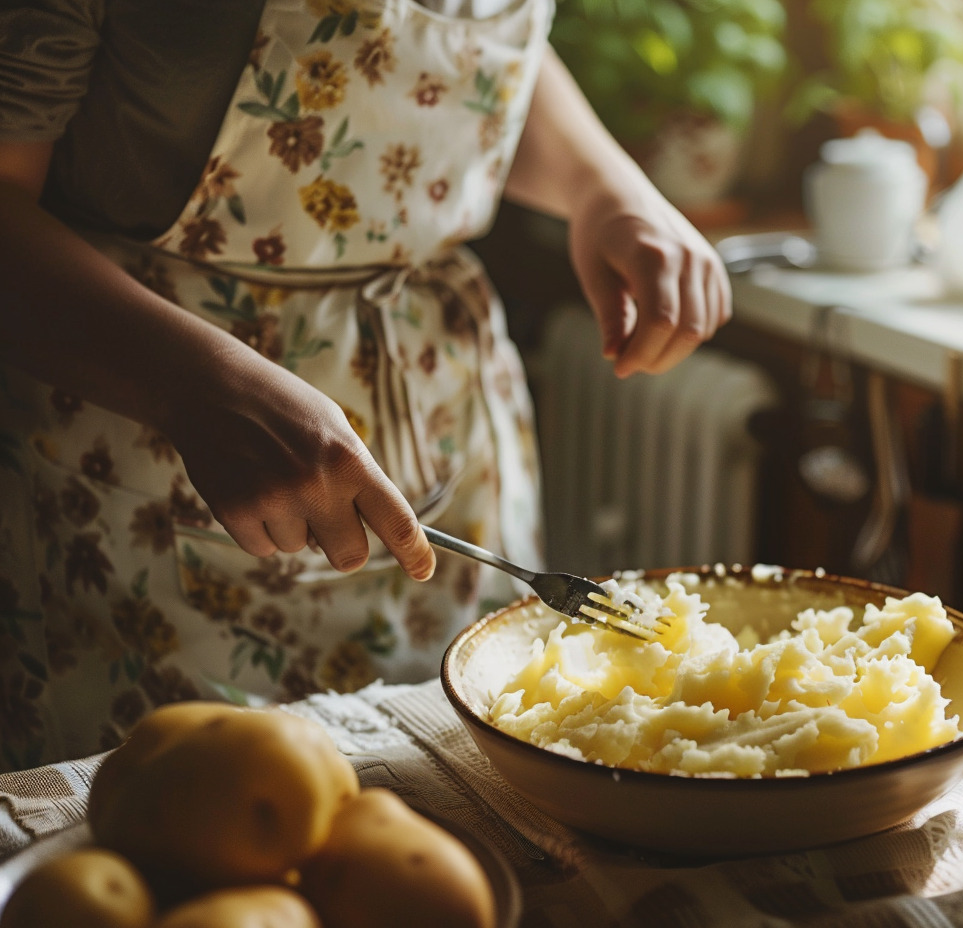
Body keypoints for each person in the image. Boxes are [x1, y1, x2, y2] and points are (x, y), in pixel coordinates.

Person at [0, 0, 731, 771]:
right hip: (138, 456)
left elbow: (454, 44)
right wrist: (197, 387)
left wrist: (600, 185)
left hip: (451, 433)